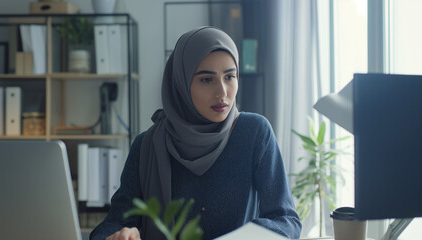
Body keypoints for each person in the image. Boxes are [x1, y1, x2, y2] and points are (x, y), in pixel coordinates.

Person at [90, 26, 301, 240]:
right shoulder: (148, 145)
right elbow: (114, 222)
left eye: (230, 77)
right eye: (207, 79)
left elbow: (286, 219)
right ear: (181, 84)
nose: (222, 92)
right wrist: (119, 235)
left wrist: (251, 235)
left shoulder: (254, 132)